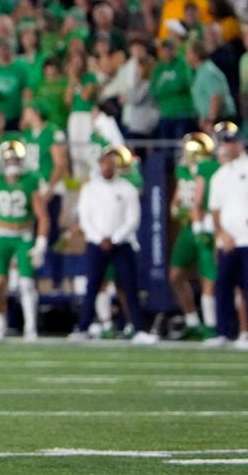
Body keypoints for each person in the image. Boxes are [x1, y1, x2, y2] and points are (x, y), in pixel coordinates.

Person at [71, 146, 157, 344]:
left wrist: (115, 238)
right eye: (104, 161)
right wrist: (99, 237)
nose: (107, 165)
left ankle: (139, 328)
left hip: (122, 243)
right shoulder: (90, 189)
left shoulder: (127, 188)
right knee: (93, 285)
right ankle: (83, 327)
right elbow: (85, 218)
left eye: (111, 161)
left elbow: (133, 219)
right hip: (96, 242)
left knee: (129, 286)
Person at [0, 141, 49, 341]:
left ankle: (30, 327)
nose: (13, 162)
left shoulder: (30, 180)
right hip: (2, 236)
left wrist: (40, 242)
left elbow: (42, 215)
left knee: (26, 283)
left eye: (16, 159)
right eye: (10, 159)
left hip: (23, 236)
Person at [169, 132, 220, 339]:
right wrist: (176, 210)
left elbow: (205, 202)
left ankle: (212, 325)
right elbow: (177, 200)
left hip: (207, 227)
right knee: (175, 276)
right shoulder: (182, 170)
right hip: (187, 228)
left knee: (209, 277)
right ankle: (193, 321)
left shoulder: (210, 168)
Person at [208, 121, 248, 348]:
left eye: (231, 142)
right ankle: (222, 331)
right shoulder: (219, 176)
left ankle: (245, 333)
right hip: (228, 242)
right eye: (225, 142)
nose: (227, 147)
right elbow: (215, 210)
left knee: (246, 288)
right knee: (223, 286)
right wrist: (222, 234)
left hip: (247, 239)